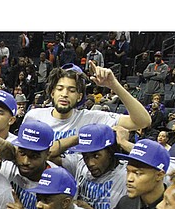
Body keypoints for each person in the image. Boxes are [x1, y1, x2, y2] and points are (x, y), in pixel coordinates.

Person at [23, 62, 151, 154]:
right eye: (60, 89)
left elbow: (143, 121)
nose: (64, 94)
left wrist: (114, 85)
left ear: (79, 97)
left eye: (71, 90)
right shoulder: (34, 116)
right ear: (52, 93)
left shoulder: (92, 119)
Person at [58, 123, 128, 209]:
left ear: (110, 152)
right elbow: (49, 154)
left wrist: (123, 142)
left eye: (96, 156)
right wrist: (82, 137)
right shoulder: (79, 163)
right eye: (86, 156)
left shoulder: (127, 175)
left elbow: (153, 165)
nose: (90, 163)